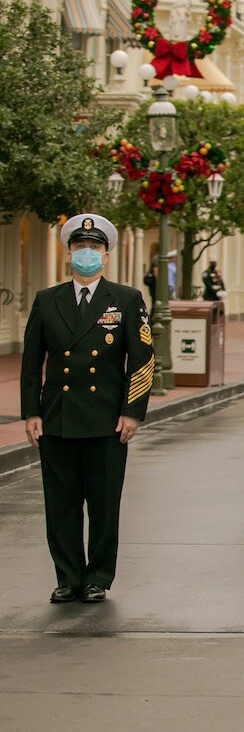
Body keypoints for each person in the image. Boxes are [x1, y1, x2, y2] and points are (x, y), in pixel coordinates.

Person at [20, 214, 154, 604]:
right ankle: (68, 577)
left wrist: (132, 411)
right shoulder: (48, 300)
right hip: (58, 417)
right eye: (80, 247)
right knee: (60, 504)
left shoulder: (126, 299)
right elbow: (31, 363)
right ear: (69, 254)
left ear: (106, 255)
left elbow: (142, 359)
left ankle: (97, 576)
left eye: (94, 248)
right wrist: (31, 412)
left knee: (103, 502)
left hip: (106, 419)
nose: (87, 254)